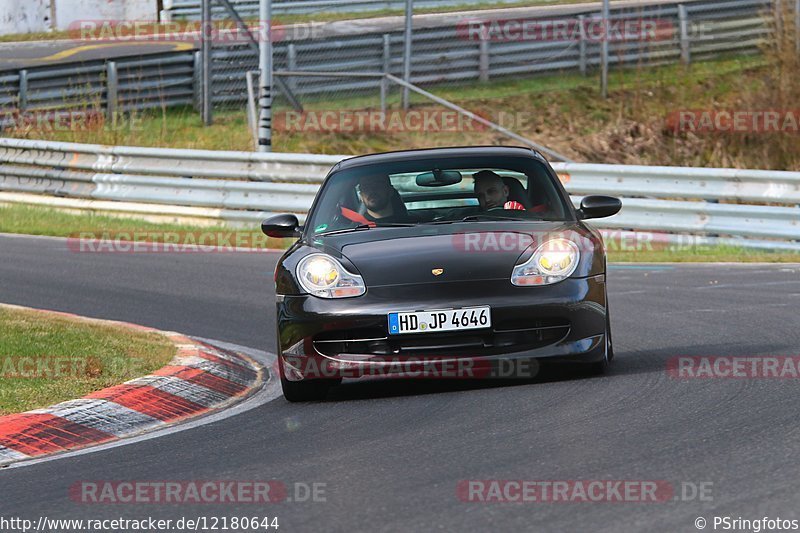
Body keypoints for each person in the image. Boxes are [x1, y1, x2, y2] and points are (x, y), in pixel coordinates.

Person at [340, 175, 414, 225]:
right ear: (361, 196)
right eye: (366, 187)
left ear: (390, 191)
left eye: (377, 185)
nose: (372, 190)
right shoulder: (353, 230)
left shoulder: (412, 224)